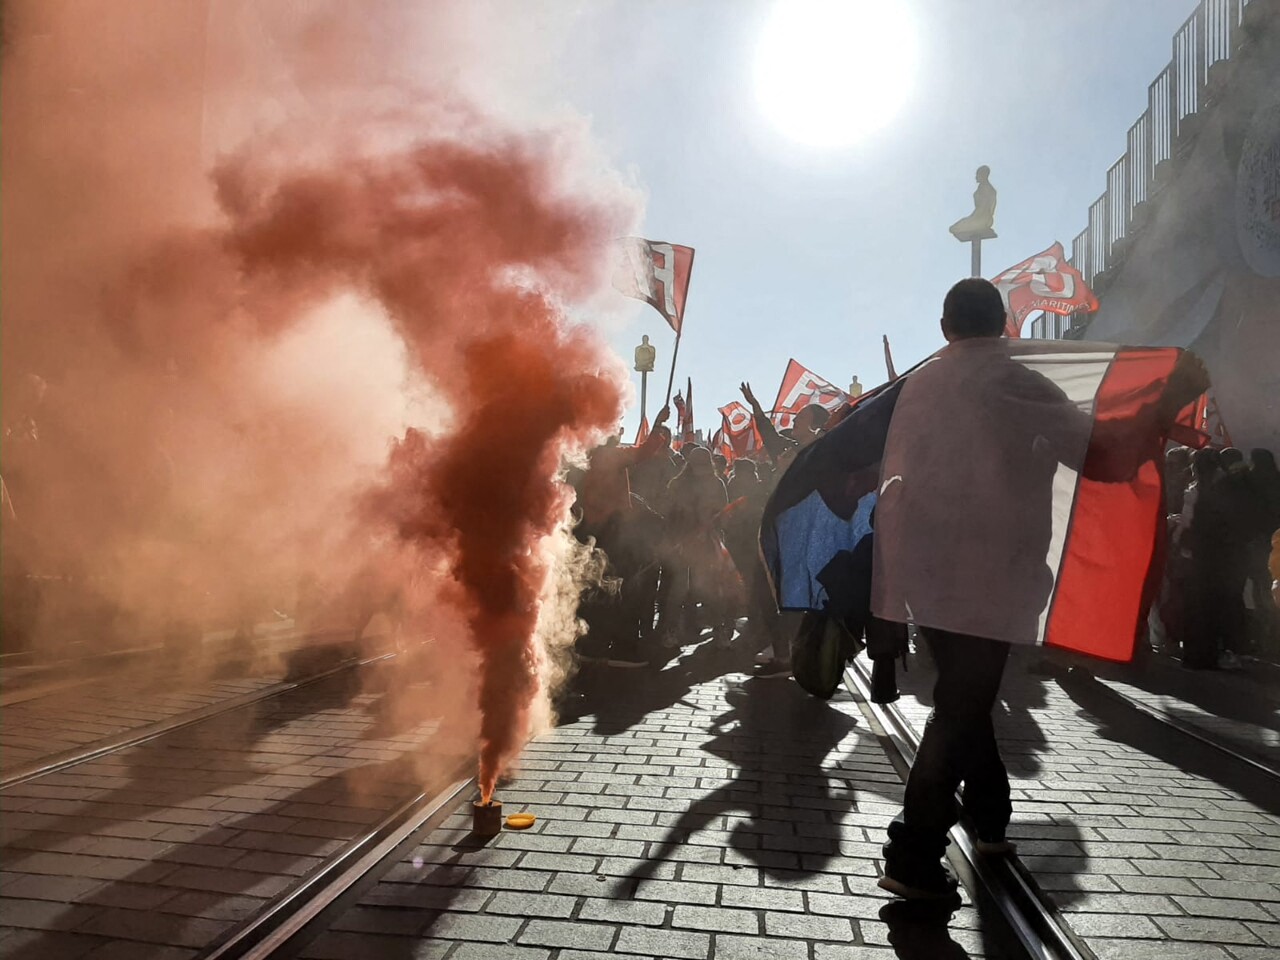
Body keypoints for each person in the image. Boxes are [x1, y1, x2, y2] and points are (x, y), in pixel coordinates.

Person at [872, 278, 1208, 899]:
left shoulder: (919, 385)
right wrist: (1165, 403)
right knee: (961, 705)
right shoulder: (1014, 380)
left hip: (926, 573)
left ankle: (990, 814)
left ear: (945, 327)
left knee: (964, 698)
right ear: (1004, 325)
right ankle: (913, 852)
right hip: (993, 572)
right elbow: (1100, 453)